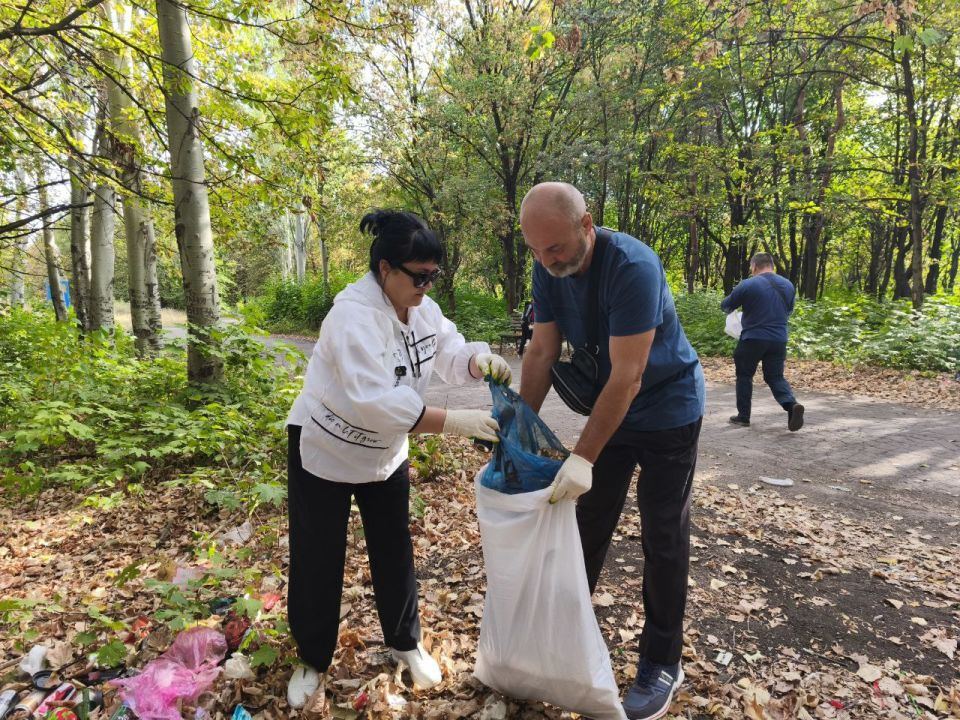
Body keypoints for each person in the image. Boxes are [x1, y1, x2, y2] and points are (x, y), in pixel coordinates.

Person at [284, 209, 511, 707]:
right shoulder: (352, 316)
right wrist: (453, 422)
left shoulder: (421, 308)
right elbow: (373, 401)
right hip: (327, 446)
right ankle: (312, 657)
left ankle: (405, 642)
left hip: (384, 453)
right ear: (385, 268)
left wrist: (477, 361)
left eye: (433, 276)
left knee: (393, 547)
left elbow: (448, 348)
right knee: (318, 553)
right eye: (418, 276)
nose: (426, 287)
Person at [518, 182, 704, 720]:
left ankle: (662, 662)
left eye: (555, 248)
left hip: (668, 410)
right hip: (613, 408)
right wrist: (516, 431)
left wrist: (581, 458)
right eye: (536, 250)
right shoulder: (546, 265)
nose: (546, 260)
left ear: (586, 224)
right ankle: (562, 641)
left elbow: (629, 375)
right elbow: (542, 351)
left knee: (663, 534)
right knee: (585, 525)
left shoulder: (632, 267)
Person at [720, 252, 804, 431]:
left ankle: (743, 416)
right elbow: (789, 311)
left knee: (744, 375)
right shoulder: (788, 285)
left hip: (753, 338)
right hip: (779, 339)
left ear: (754, 267)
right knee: (775, 376)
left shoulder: (748, 284)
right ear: (772, 266)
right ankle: (791, 405)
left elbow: (726, 306)